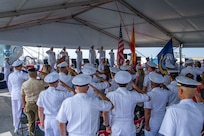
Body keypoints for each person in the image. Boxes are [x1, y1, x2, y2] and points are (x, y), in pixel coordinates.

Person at [103, 71, 150, 136]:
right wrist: (135, 86)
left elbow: (105, 113)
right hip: (129, 125)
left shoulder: (110, 95)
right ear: (128, 83)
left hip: (116, 124)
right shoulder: (133, 95)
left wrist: (107, 125)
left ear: (116, 83)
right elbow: (147, 97)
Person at [21, 68, 46, 136]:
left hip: (28, 104)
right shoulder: (40, 82)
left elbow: (23, 95)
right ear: (36, 73)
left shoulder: (24, 84)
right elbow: (49, 81)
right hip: (38, 105)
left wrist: (24, 105)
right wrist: (43, 74)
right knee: (38, 122)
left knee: (30, 122)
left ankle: (31, 134)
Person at [7, 60, 29, 133]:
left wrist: (11, 93)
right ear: (19, 67)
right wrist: (26, 70)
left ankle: (16, 126)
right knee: (20, 111)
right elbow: (30, 77)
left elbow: (9, 86)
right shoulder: (21, 74)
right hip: (20, 94)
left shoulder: (10, 75)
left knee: (14, 111)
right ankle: (19, 126)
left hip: (13, 94)